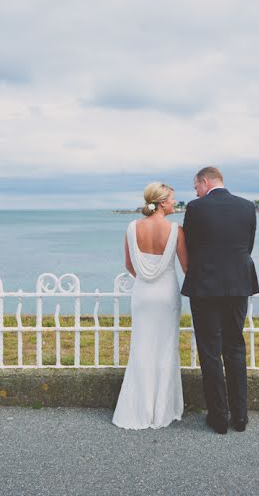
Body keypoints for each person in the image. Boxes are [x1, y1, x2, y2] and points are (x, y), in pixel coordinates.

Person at [181, 166, 259, 434]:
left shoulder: (195, 208)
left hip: (205, 285)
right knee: (235, 346)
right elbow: (248, 246)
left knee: (210, 350)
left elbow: (190, 245)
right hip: (238, 283)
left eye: (196, 187)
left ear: (204, 182)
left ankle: (218, 417)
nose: (196, 192)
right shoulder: (247, 207)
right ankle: (240, 416)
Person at [112, 182, 188, 429]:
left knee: (141, 346)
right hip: (166, 295)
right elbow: (186, 267)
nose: (176, 203)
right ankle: (162, 410)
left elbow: (129, 265)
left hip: (142, 294)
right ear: (163, 202)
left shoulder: (133, 227)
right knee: (166, 347)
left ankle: (138, 409)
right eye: (173, 200)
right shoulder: (176, 230)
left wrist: (146, 280)